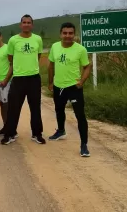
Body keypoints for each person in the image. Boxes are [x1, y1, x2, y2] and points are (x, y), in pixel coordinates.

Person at [48, 22, 92, 157]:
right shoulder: (55, 47)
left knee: (80, 115)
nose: (68, 36)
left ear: (74, 34)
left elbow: (87, 66)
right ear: (60, 34)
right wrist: (50, 82)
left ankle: (84, 145)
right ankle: (61, 131)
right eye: (65, 33)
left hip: (74, 87)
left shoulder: (80, 49)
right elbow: (51, 65)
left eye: (70, 33)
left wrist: (82, 81)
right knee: (59, 110)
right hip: (58, 86)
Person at [1, 14, 46, 145]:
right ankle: (10, 134)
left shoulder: (37, 39)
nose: (26, 24)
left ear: (32, 25)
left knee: (35, 108)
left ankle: (37, 134)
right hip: (18, 78)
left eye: (29, 22)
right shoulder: (13, 40)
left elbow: (38, 56)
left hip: (34, 78)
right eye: (24, 22)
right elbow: (11, 59)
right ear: (20, 25)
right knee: (13, 108)